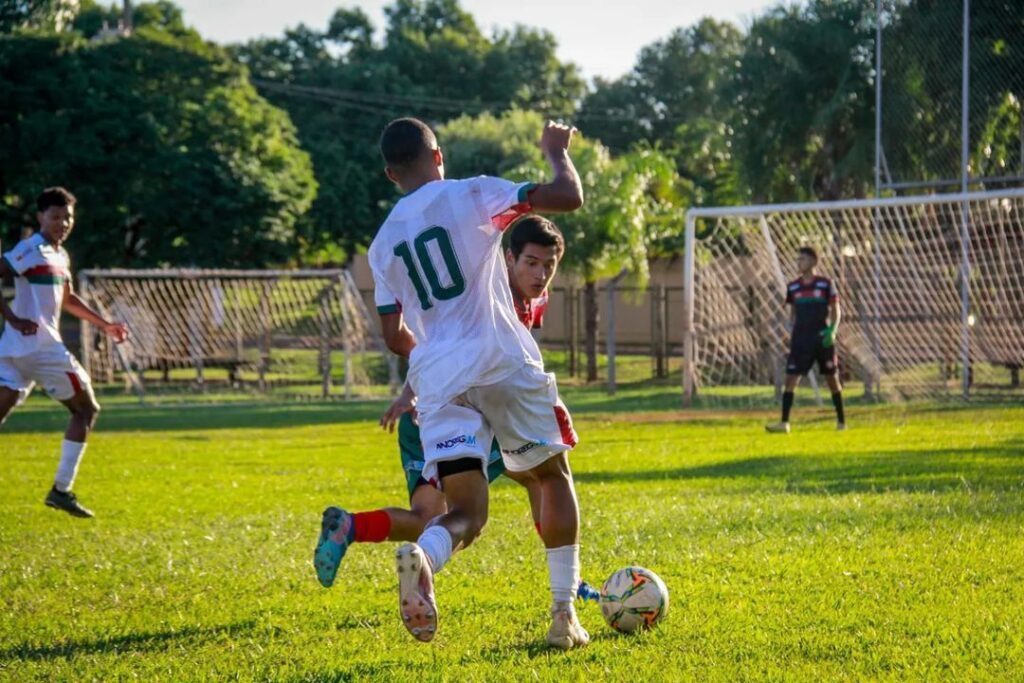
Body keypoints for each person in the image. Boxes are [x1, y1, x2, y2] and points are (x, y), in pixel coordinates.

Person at [328, 116, 587, 649]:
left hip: (438, 380)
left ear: (389, 174)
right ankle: (564, 616)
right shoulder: (472, 194)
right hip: (499, 360)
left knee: (465, 513)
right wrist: (557, 151)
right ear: (438, 156)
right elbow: (567, 197)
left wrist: (435, 354)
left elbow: (392, 333)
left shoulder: (382, 245)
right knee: (550, 476)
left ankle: (425, 554)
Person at [313, 215, 565, 581]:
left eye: (549, 266)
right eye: (531, 263)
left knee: (428, 522)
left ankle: (349, 526)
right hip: (449, 412)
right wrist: (409, 393)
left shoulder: (534, 299)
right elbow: (445, 349)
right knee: (538, 476)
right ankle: (565, 573)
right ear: (508, 259)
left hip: (435, 411)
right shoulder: (485, 297)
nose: (541, 275)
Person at [0, 187, 129, 517]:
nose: (62, 223)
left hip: (13, 350)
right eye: (55, 216)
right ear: (41, 216)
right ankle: (61, 490)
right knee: (86, 410)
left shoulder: (60, 255)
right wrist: (13, 317)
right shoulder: (31, 249)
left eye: (67, 217)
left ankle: (61, 491)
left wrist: (105, 325)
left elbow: (68, 299)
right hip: (41, 349)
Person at [766, 246, 845, 433]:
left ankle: (841, 422)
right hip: (801, 340)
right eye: (797, 259)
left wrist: (832, 330)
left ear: (813, 262)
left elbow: (836, 309)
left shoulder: (826, 284)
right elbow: (791, 314)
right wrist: (789, 331)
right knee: (791, 378)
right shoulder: (793, 287)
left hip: (821, 338)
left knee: (832, 378)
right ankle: (784, 423)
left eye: (802, 259)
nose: (798, 263)